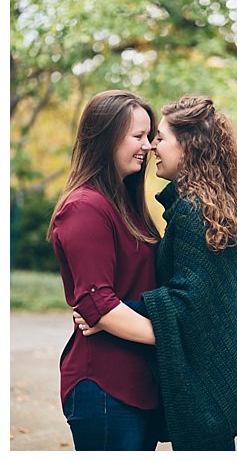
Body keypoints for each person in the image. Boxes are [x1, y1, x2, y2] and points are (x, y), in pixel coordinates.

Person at [75, 95, 237, 451]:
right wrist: (112, 313)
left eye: (160, 138)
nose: (151, 148)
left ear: (189, 146)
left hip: (209, 381)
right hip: (211, 375)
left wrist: (117, 314)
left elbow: (191, 303)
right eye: (146, 138)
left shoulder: (195, 214)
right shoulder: (208, 208)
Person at [47, 90, 164, 450]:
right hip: (103, 388)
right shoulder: (85, 207)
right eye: (137, 136)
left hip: (138, 385)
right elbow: (99, 305)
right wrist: (175, 339)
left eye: (149, 135)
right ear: (106, 137)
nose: (148, 146)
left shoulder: (128, 206)